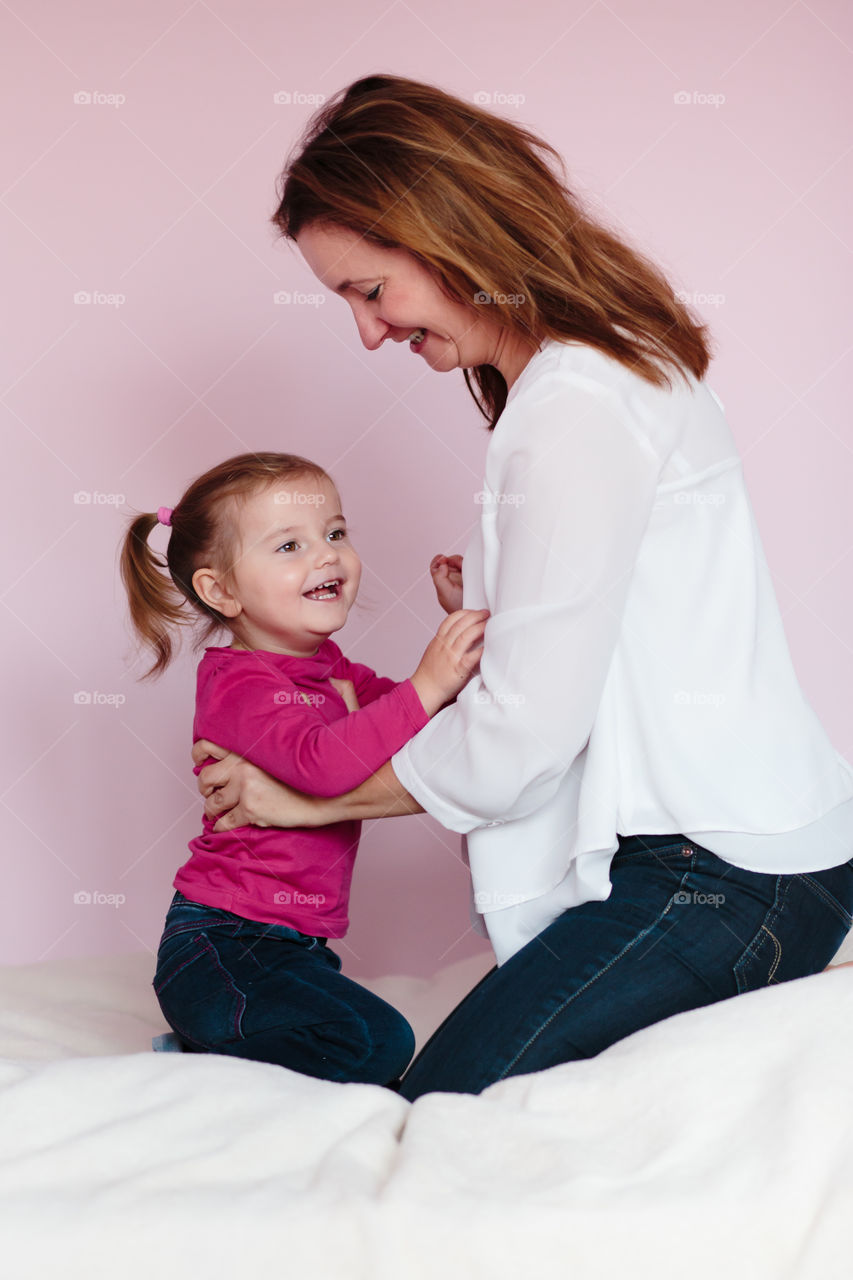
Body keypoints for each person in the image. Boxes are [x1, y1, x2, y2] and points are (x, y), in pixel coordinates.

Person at [191, 76, 853, 1100]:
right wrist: (505, 591)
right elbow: (629, 614)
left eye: (370, 290)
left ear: (447, 234)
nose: (368, 332)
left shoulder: (572, 404)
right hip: (754, 859)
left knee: (442, 1113)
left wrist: (305, 798)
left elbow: (522, 738)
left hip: (719, 874)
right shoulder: (598, 370)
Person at [119, 449, 488, 1083]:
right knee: (378, 1043)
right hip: (223, 946)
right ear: (220, 591)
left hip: (292, 949)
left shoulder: (331, 671)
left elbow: (420, 726)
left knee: (363, 1048)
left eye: (335, 533)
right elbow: (323, 765)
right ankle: (196, 1071)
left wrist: (461, 626)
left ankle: (211, 1054)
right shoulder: (240, 684)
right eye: (290, 546)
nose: (326, 556)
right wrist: (428, 682)